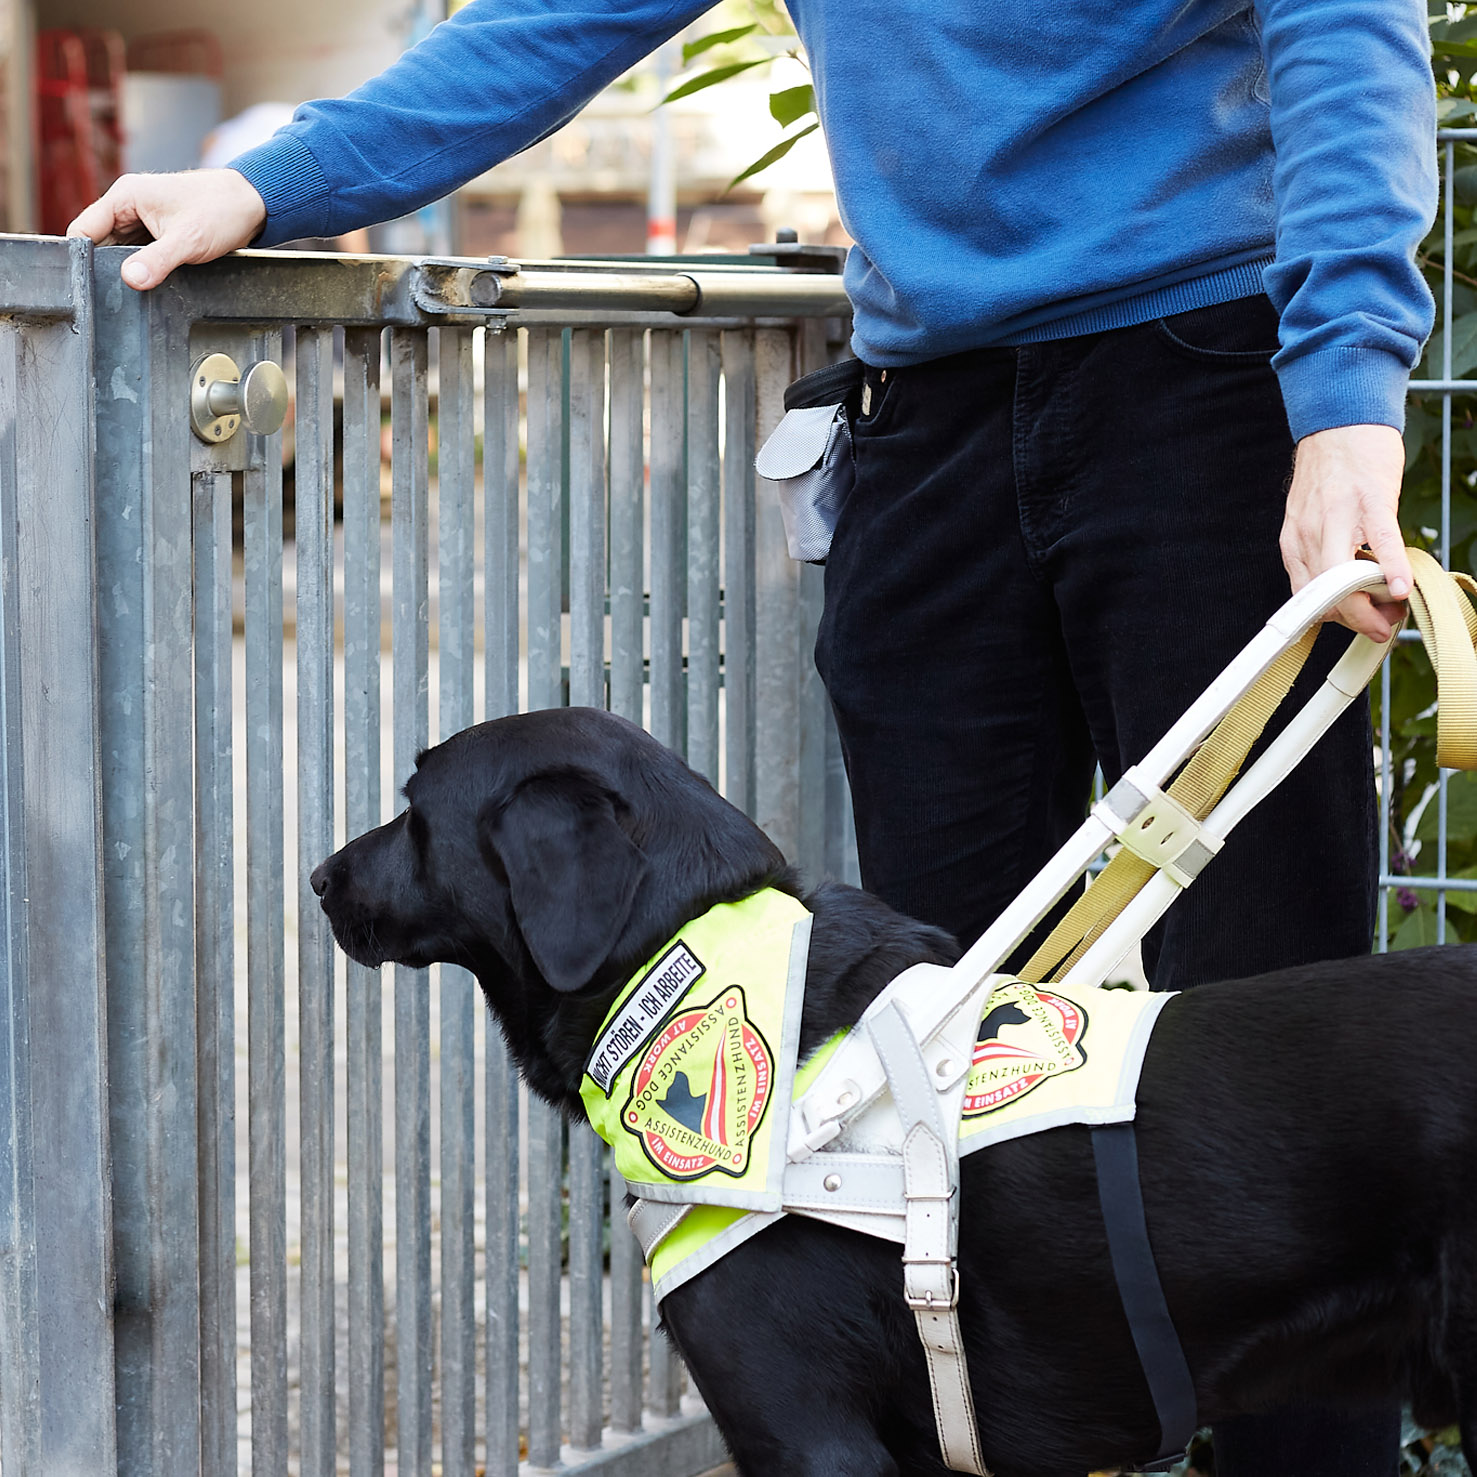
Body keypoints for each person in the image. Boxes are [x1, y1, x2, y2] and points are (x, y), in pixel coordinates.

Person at [71, 2, 1435, 1472]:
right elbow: (560, 18)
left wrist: (1345, 381)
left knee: (1302, 1100)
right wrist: (272, 181)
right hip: (927, 420)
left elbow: (1340, 19)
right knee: (930, 1138)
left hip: (1205, 383)